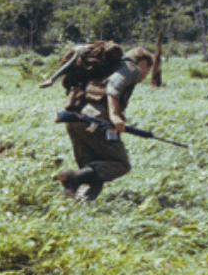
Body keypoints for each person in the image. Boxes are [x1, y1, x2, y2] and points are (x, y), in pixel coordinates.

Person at [54, 46, 154, 200]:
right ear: (143, 63)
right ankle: (71, 176)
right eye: (148, 69)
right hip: (96, 121)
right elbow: (114, 86)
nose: (146, 74)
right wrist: (114, 115)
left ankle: (78, 200)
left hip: (75, 118)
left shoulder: (106, 68)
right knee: (120, 164)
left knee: (92, 169)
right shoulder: (131, 68)